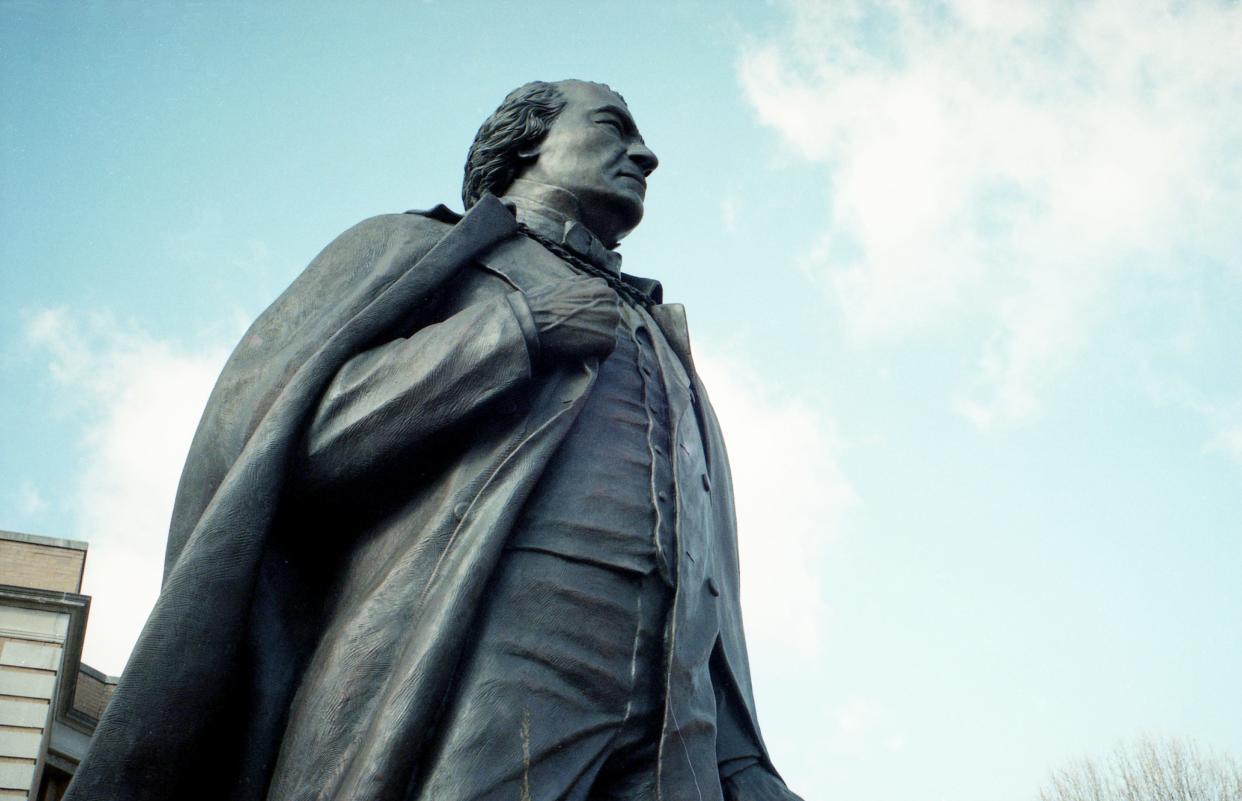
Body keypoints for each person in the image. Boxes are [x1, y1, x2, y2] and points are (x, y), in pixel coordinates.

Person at [66, 80, 803, 801]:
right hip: (483, 651)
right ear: (527, 144)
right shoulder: (417, 250)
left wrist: (738, 752)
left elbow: (701, 558)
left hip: (678, 718)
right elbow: (288, 443)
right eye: (615, 127)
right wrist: (512, 333)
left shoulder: (664, 337)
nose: (646, 156)